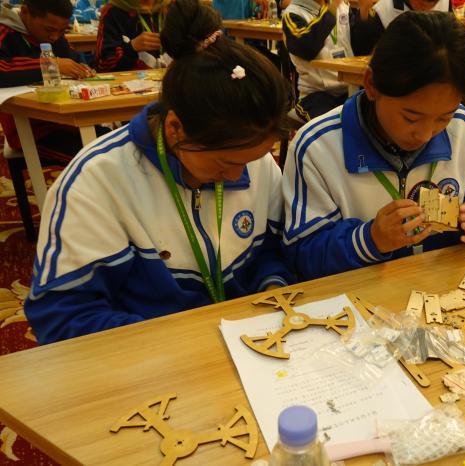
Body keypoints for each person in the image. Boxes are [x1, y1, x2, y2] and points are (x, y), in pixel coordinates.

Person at [24, 0, 294, 344]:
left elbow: (271, 249)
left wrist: (272, 287)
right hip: (152, 359)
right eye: (226, 164)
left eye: (254, 158)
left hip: (245, 347)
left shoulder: (255, 161)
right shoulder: (97, 182)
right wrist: (180, 342)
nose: (240, 176)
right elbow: (62, 316)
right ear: (174, 129)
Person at [282, 11, 465, 281]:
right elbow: (302, 253)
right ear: (371, 85)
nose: (425, 135)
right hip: (360, 294)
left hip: (442, 287)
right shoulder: (317, 147)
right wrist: (370, 239)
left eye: (444, 117)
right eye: (411, 117)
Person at [0, 0, 95, 160]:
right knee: (90, 158)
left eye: (62, 31)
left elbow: (72, 57)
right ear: (24, 12)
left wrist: (82, 67)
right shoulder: (5, 33)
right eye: (49, 30)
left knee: (110, 142)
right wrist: (50, 64)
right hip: (31, 130)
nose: (55, 37)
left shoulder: (54, 35)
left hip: (66, 118)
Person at [283, 0, 352, 121]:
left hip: (350, 89)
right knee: (332, 124)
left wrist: (364, 12)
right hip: (316, 94)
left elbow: (360, 46)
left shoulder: (343, 8)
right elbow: (306, 47)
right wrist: (331, 10)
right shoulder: (293, 13)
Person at [350, 0, 450, 56]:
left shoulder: (449, 5)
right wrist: (364, 13)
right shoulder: (382, 10)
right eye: (421, 4)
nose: (427, 9)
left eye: (433, 4)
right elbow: (363, 54)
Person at [95, 0, 168, 71]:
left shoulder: (170, 7)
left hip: (169, 75)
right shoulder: (113, 10)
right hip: (129, 78)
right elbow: (103, 64)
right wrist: (132, 48)